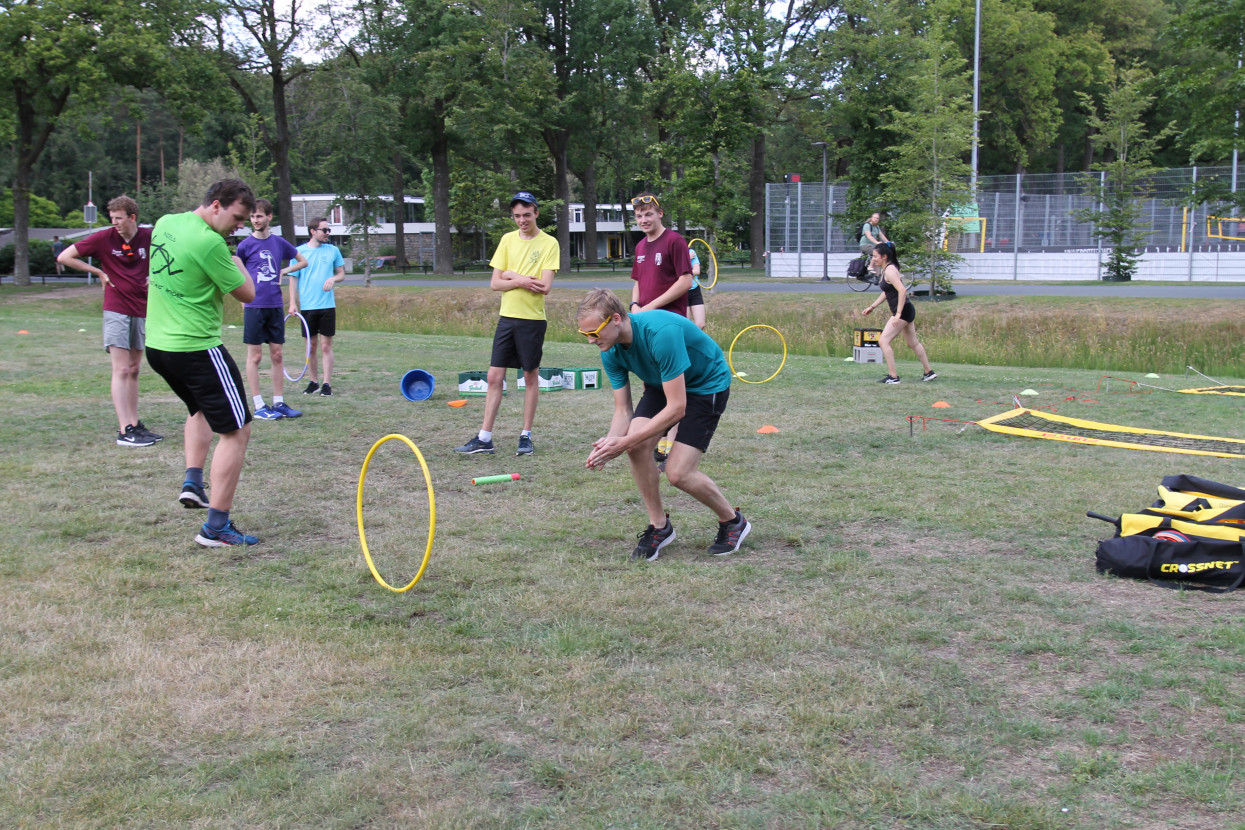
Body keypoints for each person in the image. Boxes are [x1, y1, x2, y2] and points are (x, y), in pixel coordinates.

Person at [578, 288, 751, 561]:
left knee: (678, 473)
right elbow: (623, 410)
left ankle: (733, 522)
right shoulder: (609, 350)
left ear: (615, 319)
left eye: (593, 332)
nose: (590, 340)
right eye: (584, 334)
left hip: (706, 385)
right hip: (662, 385)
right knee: (636, 447)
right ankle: (659, 527)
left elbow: (677, 407)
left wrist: (624, 441)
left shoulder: (661, 333)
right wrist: (609, 444)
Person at [145, 179, 260, 547]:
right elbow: (248, 294)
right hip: (195, 348)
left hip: (158, 347)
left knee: (200, 408)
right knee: (237, 429)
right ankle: (217, 528)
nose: (240, 226)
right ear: (215, 205)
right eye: (238, 218)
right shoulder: (212, 243)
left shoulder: (165, 222)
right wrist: (238, 261)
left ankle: (193, 481)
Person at [454, 191, 560, 457]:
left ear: (536, 212)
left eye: (526, 215)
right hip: (507, 318)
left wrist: (514, 276)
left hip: (532, 320)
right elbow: (495, 283)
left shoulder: (549, 243)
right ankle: (484, 437)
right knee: (494, 377)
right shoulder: (507, 240)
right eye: (517, 216)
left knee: (529, 376)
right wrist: (522, 280)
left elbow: (544, 287)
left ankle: (526, 436)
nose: (522, 220)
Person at [57, 195, 162, 447]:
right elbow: (64, 257)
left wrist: (156, 277)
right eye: (112, 218)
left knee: (135, 369)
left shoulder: (149, 237)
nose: (114, 223)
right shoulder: (103, 238)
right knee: (122, 369)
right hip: (116, 308)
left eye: (119, 218)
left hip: (142, 308)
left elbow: (171, 259)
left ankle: (135, 424)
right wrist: (99, 272)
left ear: (132, 217)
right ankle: (124, 429)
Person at [237, 199, 308, 420]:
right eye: (252, 217)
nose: (255, 220)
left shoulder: (279, 243)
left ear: (269, 217)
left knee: (277, 355)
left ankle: (279, 403)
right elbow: (237, 275)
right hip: (254, 306)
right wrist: (243, 303)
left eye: (259, 216)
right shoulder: (245, 246)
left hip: (275, 305)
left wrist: (283, 271)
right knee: (255, 356)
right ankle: (259, 405)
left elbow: (303, 261)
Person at [860, 241, 936, 385]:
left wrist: (898, 314)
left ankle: (893, 377)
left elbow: (902, 290)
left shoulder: (889, 270)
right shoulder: (887, 269)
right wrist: (872, 307)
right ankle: (929, 372)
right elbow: (887, 292)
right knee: (913, 343)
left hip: (903, 311)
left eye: (876, 256)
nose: (873, 259)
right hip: (907, 310)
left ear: (884, 256)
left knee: (883, 341)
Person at [290, 217, 345, 396]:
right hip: (307, 306)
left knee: (325, 346)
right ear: (313, 231)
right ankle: (313, 382)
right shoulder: (299, 253)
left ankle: (326, 384)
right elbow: (293, 278)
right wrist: (292, 302)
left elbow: (341, 274)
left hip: (327, 305)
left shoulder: (333, 250)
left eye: (329, 230)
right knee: (311, 347)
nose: (328, 233)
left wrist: (333, 278)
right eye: (325, 230)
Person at [629, 192, 693, 318]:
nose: (644, 220)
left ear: (660, 214)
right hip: (645, 317)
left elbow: (686, 281)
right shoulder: (640, 246)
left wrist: (651, 306)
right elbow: (638, 282)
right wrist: (634, 305)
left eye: (648, 215)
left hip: (670, 318)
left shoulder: (675, 241)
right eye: (639, 216)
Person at [860, 211, 889, 278]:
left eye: (877, 218)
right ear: (871, 218)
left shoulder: (877, 227)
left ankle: (877, 277)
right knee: (877, 252)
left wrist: (888, 242)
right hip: (865, 245)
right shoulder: (867, 225)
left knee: (879, 257)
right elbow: (869, 236)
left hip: (873, 246)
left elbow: (881, 235)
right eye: (875, 218)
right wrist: (877, 242)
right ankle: (870, 267)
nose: (876, 219)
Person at [686, 245, 706, 329]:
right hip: (680, 291)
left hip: (694, 289)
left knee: (701, 324)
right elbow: (674, 273)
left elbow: (697, 271)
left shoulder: (691, 252)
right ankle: (686, 341)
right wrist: (686, 259)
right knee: (685, 324)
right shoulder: (672, 254)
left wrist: (685, 260)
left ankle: (694, 340)